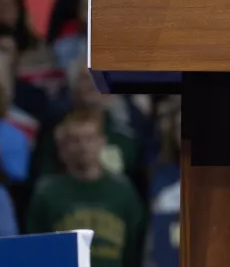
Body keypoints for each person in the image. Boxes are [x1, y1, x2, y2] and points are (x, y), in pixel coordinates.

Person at [27, 110, 145, 267]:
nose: (83, 147)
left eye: (89, 139)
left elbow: (135, 248)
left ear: (102, 142)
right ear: (62, 147)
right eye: (75, 141)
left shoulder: (123, 191)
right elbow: (36, 250)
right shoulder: (47, 193)